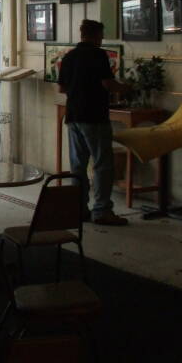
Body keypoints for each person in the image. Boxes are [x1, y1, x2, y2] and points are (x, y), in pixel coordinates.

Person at [58, 20, 132, 226]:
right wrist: (127, 88)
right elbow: (108, 83)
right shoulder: (99, 55)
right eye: (101, 35)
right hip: (94, 116)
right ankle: (101, 211)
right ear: (95, 35)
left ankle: (79, 209)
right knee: (102, 164)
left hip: (73, 116)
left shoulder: (69, 56)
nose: (102, 39)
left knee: (78, 166)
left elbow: (62, 89)